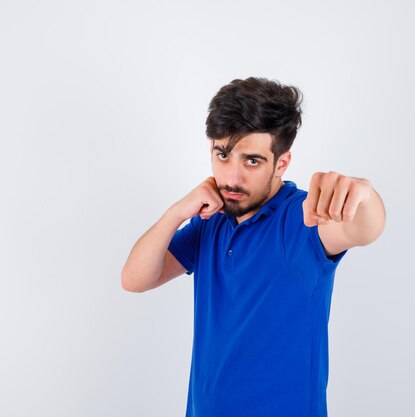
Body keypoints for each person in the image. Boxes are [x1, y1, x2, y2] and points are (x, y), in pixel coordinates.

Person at [121, 77, 386, 417]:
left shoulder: (301, 218)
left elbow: (364, 227)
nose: (232, 178)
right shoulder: (210, 221)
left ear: (282, 163)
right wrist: (176, 213)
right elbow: (134, 279)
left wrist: (363, 194)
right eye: (222, 155)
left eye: (252, 161)